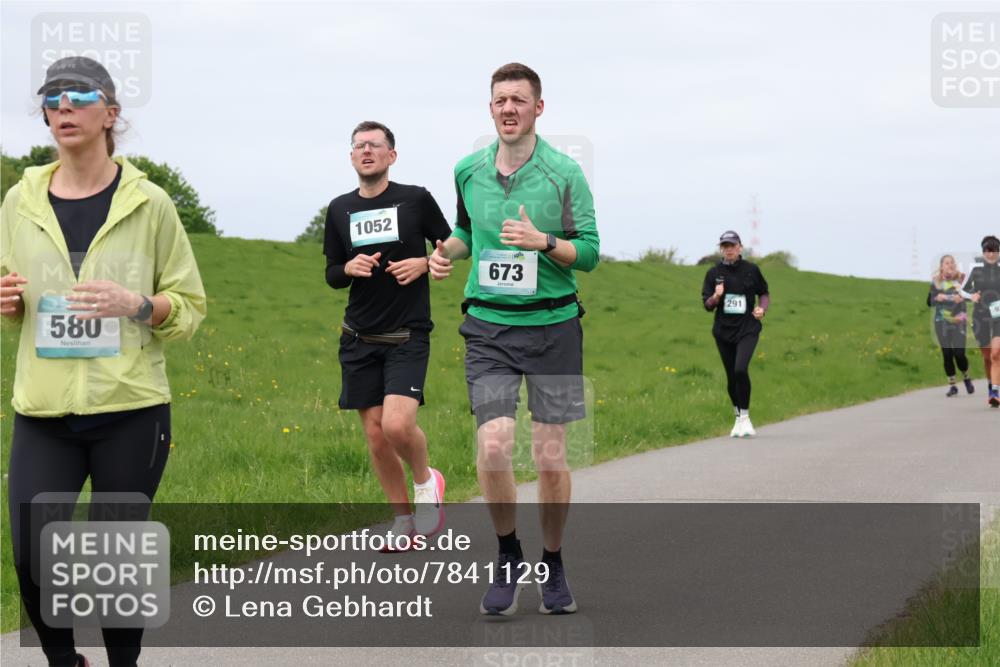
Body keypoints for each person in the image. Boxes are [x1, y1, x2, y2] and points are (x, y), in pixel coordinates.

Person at [0, 56, 206, 667]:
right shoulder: (19, 199)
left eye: (79, 95)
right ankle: (65, 661)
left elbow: (190, 306)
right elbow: (17, 297)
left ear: (110, 113)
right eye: (52, 98)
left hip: (131, 409)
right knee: (33, 554)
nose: (63, 107)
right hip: (43, 408)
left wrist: (136, 303)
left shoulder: (150, 203)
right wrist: (8, 302)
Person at [429, 63, 600, 615]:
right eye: (500, 100)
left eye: (519, 100)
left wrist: (543, 240)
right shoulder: (466, 170)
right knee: (494, 444)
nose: (509, 109)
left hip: (552, 326)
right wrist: (444, 254)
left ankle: (552, 561)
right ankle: (507, 553)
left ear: (538, 109)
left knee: (550, 456)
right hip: (489, 327)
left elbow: (590, 252)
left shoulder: (564, 173)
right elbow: (464, 231)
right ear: (490, 108)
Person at [323, 121, 451, 548]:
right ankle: (402, 522)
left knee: (398, 426)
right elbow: (331, 273)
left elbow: (449, 244)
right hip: (359, 336)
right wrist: (348, 268)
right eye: (358, 145)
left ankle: (426, 480)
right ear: (351, 156)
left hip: (406, 334)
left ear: (391, 155)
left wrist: (425, 263)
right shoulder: (339, 208)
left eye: (375, 145)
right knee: (376, 435)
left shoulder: (415, 199)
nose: (366, 150)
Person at [701, 231, 770, 437]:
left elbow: (764, 293)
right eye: (725, 246)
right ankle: (737, 417)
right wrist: (716, 295)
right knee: (731, 376)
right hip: (723, 331)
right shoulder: (714, 273)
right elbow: (707, 305)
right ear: (721, 249)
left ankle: (746, 417)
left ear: (740, 247)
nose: (729, 249)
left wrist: (761, 309)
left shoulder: (751, 270)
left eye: (732, 245)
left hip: (747, 328)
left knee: (741, 369)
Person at [960, 235, 1000, 407]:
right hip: (980, 317)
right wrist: (972, 296)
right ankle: (991, 385)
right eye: (988, 250)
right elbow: (963, 291)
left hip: (998, 316)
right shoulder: (976, 271)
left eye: (995, 250)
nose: (991, 254)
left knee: (996, 354)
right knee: (987, 357)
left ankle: (995, 392)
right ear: (983, 252)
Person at [927, 255, 974, 397]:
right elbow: (929, 302)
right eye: (947, 263)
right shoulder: (936, 282)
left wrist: (963, 297)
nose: (950, 265)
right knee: (947, 354)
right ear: (942, 266)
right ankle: (952, 385)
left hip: (959, 320)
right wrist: (937, 297)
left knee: (959, 354)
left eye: (952, 262)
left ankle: (966, 376)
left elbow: (972, 295)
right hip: (941, 321)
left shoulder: (962, 279)